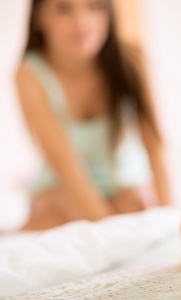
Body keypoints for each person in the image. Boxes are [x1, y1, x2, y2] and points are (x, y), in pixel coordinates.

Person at [15, 0, 172, 230]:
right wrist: (109, 232)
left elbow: (155, 147)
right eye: (63, 9)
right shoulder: (29, 75)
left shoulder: (131, 61)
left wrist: (169, 224)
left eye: (95, 7)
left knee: (140, 206)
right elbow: (67, 166)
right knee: (58, 218)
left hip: (119, 182)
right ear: (39, 17)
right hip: (61, 187)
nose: (81, 23)